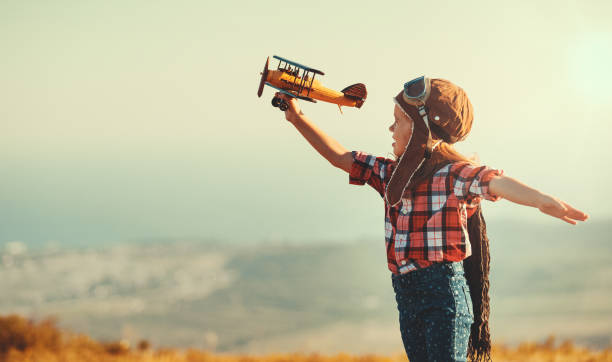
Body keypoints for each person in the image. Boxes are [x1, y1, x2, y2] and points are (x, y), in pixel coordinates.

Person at [271, 76, 588, 362]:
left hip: (443, 296)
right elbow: (341, 157)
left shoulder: (452, 175)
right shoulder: (390, 174)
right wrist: (296, 117)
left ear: (423, 128)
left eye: (398, 121)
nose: (390, 129)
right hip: (406, 296)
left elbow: (495, 182)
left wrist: (543, 201)